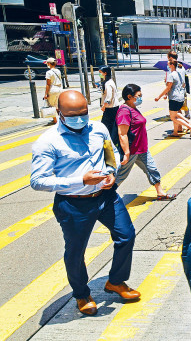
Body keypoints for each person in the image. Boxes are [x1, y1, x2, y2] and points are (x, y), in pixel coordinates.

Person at [30, 90, 139, 316]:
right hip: (73, 203)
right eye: (73, 115)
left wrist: (111, 171)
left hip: (105, 196)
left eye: (84, 113)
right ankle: (81, 293)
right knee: (76, 251)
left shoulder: (98, 129)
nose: (79, 119)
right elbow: (37, 180)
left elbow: (112, 153)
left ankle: (116, 281)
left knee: (126, 235)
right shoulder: (48, 141)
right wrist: (80, 180)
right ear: (59, 113)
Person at [116, 84, 174, 199]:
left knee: (152, 169)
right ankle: (104, 196)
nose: (141, 98)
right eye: (139, 96)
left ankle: (160, 192)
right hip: (132, 150)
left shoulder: (133, 108)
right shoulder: (124, 111)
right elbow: (122, 133)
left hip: (142, 148)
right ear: (129, 96)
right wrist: (126, 153)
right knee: (120, 176)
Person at [155, 61, 191, 138]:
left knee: (173, 117)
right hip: (180, 97)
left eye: (168, 64)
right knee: (176, 114)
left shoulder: (171, 75)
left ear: (172, 65)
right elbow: (183, 84)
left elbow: (168, 87)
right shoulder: (179, 74)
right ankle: (176, 131)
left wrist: (159, 97)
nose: (167, 65)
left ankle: (190, 127)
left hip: (174, 98)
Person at [167, 51, 191, 119]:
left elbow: (173, 81)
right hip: (182, 89)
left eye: (168, 58)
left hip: (175, 91)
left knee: (177, 110)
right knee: (181, 106)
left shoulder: (175, 68)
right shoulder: (181, 66)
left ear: (171, 58)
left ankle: (184, 124)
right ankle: (186, 117)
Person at [43, 57, 62, 124]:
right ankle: (61, 119)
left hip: (53, 89)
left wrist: (46, 94)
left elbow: (48, 84)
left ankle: (55, 120)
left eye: (47, 63)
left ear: (49, 64)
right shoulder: (58, 71)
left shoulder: (49, 72)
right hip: (59, 89)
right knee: (57, 105)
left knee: (51, 105)